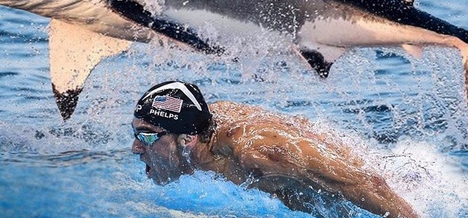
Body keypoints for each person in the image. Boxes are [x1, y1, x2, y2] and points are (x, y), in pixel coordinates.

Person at [131, 81, 420, 218]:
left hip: (391, 190)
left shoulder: (256, 154)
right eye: (134, 134)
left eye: (145, 137)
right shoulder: (203, 125)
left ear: (187, 140)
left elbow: (368, 183)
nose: (135, 148)